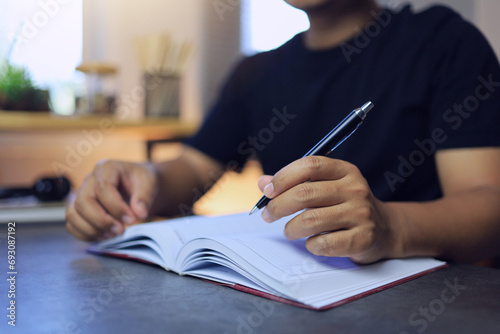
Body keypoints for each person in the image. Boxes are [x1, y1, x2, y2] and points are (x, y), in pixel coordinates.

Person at [66, 0, 500, 264]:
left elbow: (489, 206)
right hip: (290, 295)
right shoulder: (255, 72)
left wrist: (391, 227)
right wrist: (146, 179)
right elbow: (193, 167)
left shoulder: (443, 42)